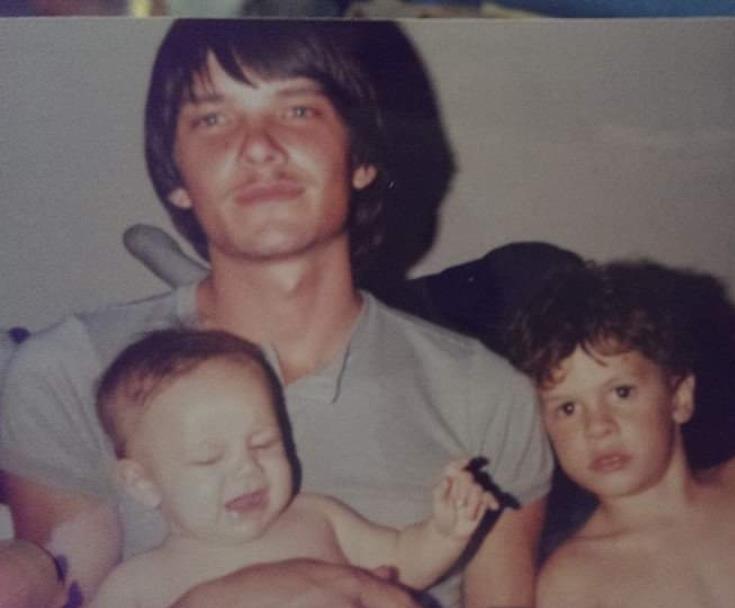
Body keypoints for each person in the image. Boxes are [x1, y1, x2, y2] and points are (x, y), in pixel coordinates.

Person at [0, 19, 551, 608]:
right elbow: (65, 590)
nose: (258, 147)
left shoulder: (486, 397)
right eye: (214, 119)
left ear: (361, 156)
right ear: (176, 175)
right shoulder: (71, 374)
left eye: (298, 111)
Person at [89, 328, 499, 608]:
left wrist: (446, 532)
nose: (247, 470)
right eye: (210, 458)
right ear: (142, 483)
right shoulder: (137, 584)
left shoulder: (316, 516)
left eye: (263, 444)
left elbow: (402, 564)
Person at [507, 260, 735, 608]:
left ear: (679, 398)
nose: (597, 427)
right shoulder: (571, 580)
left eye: (621, 392)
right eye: (568, 408)